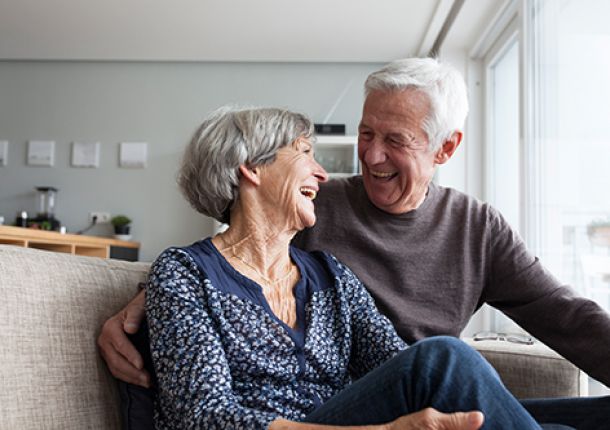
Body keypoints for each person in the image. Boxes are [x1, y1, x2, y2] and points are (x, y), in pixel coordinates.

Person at [98, 59, 610, 428]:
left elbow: (564, 316)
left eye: (395, 140)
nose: (368, 156)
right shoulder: (305, 214)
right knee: (445, 359)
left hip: (408, 397)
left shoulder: (464, 232)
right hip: (354, 413)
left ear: (445, 148)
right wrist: (148, 302)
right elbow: (225, 264)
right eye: (366, 133)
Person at [142, 105, 549, 429]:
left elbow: (399, 367)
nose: (321, 173)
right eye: (305, 153)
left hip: (340, 416)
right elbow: (203, 416)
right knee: (443, 358)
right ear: (252, 168)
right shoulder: (186, 273)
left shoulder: (329, 274)